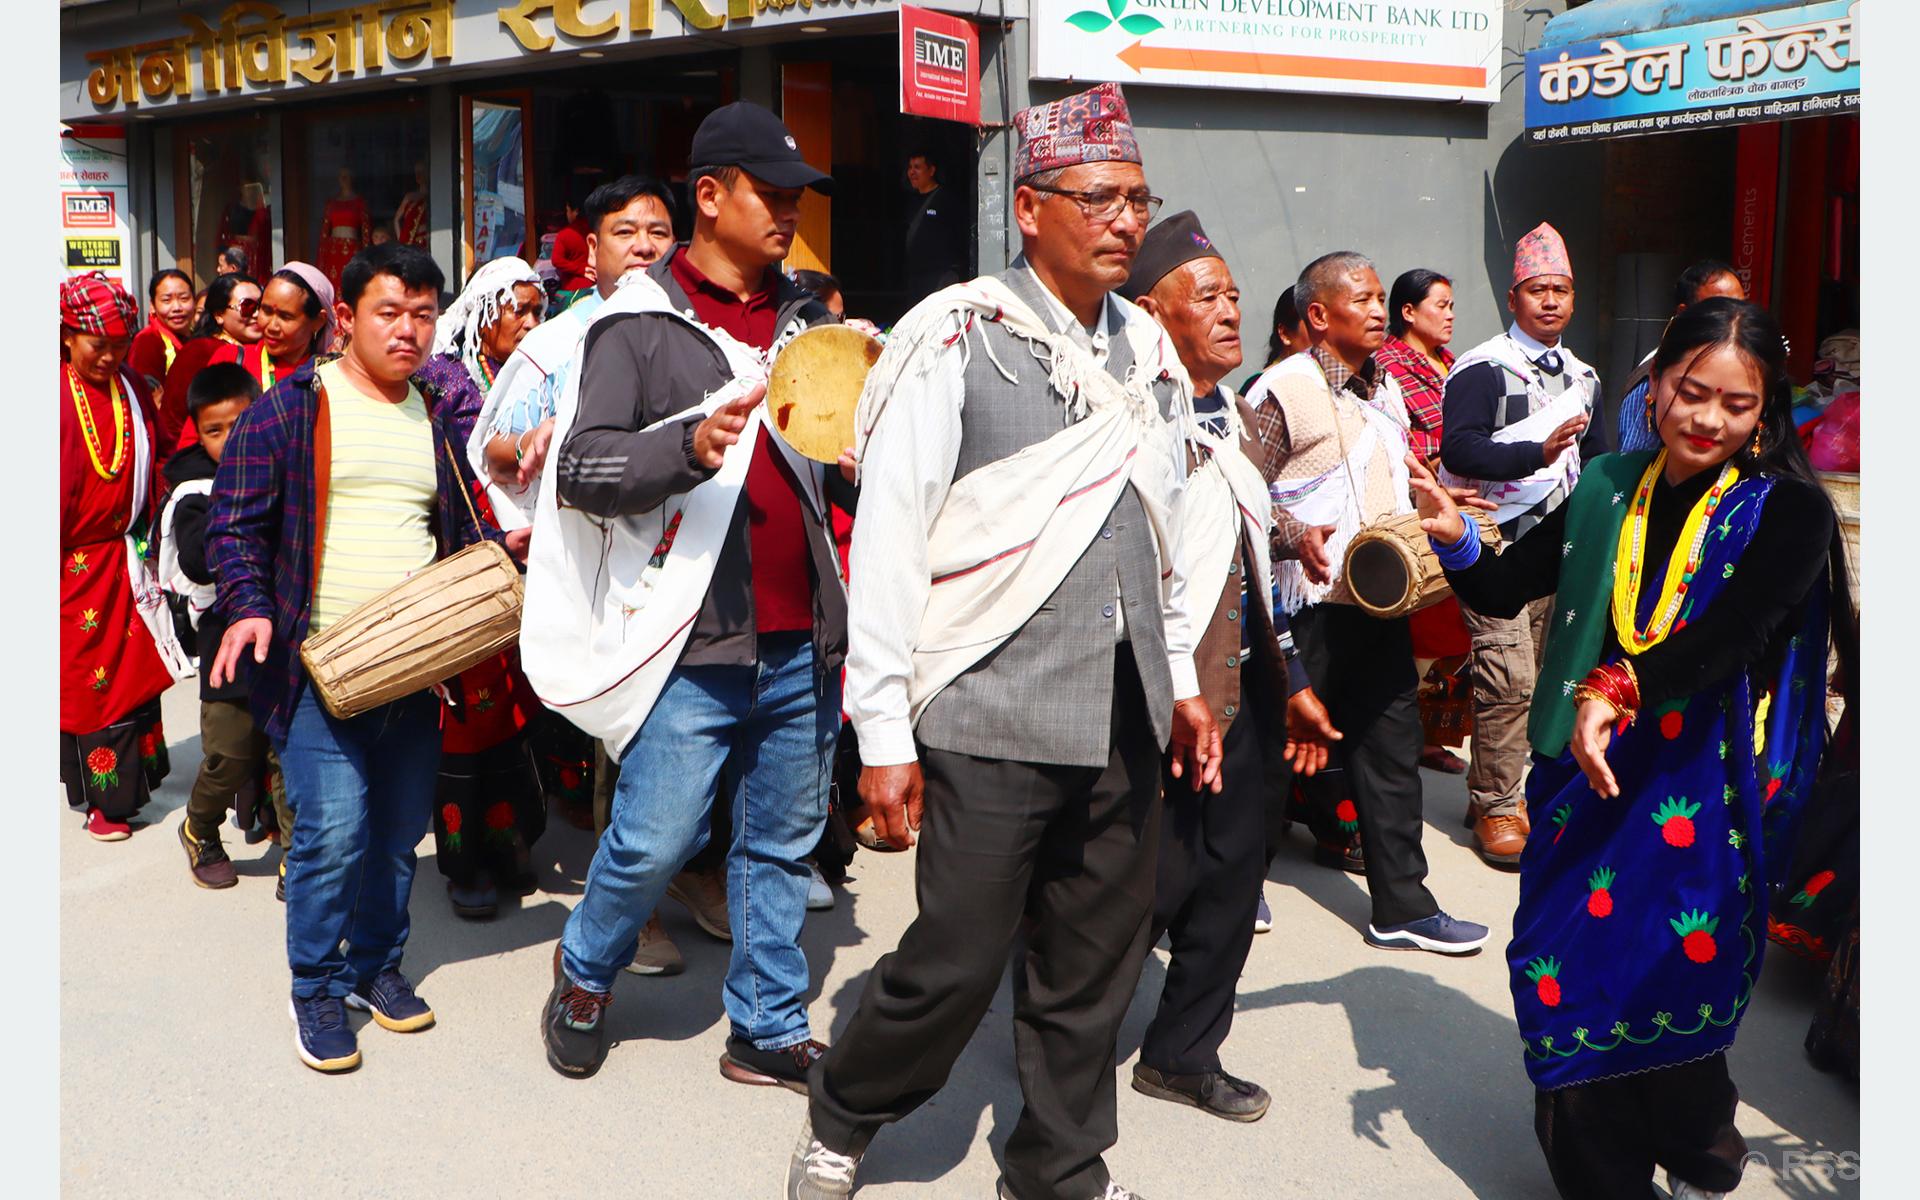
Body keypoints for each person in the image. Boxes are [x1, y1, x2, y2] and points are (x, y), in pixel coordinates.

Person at [790, 82, 1221, 1200]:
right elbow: (893, 537)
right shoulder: (956, 335)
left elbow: (1168, 528)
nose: (1125, 220)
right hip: (988, 701)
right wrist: (882, 732)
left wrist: (1180, 679)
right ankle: (845, 1109)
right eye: (1099, 198)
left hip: (1122, 707)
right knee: (957, 958)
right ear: (1030, 208)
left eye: (1137, 200)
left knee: (1093, 965)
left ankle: (1058, 1166)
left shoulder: (1147, 348)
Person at [1414, 297, 1855, 1200]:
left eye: (1737, 404)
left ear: (1764, 410)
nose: (1708, 419)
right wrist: (1455, 535)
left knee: (1667, 980)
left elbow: (1733, 635)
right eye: (1692, 392)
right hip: (1578, 780)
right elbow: (1503, 587)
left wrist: (1617, 688)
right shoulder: (1607, 485)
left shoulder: (1787, 512)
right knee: (1560, 973)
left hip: (1693, 788)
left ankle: (1700, 1155)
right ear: (1655, 387)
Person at [530, 102, 850, 1090]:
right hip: (687, 638)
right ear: (708, 195)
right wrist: (687, 447)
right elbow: (581, 468)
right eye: (771, 192)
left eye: (797, 196)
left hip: (801, 635)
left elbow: (836, 464)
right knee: (654, 839)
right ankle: (586, 971)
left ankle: (766, 1025)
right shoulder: (636, 324)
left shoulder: (812, 320)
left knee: (780, 846)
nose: (789, 211)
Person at [206, 243, 513, 1074]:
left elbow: (466, 527)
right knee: (333, 831)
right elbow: (232, 525)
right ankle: (315, 985)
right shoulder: (290, 410)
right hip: (315, 667)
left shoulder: (437, 418)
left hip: (412, 668)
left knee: (398, 833)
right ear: (345, 318)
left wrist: (501, 552)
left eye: (423, 315)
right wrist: (252, 607)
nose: (408, 330)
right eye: (389, 312)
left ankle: (375, 966)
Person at [1118, 211, 1341, 1123]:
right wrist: (1176, 685)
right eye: (1206, 295)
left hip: (1241, 684)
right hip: (1160, 689)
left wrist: (1291, 681)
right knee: (1145, 884)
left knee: (1233, 877)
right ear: (1150, 311)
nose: (1229, 310)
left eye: (1234, 295)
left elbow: (1240, 536)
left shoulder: (1238, 416)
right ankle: (1061, 1041)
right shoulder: (1132, 414)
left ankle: (1182, 1054)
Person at [468, 174, 701, 969]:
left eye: (658, 232)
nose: (644, 246)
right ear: (590, 251)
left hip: (695, 559)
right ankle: (635, 912)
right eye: (624, 232)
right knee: (626, 731)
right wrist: (534, 447)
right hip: (602, 566)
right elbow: (491, 448)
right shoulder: (558, 342)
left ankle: (695, 872)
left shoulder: (695, 327)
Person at [1246, 250, 1488, 955]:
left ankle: (1403, 908)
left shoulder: (1383, 390)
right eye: (1363, 299)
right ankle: (1234, 885)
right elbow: (1241, 494)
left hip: (1377, 604)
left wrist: (1433, 496)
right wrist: (1295, 535)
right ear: (1319, 315)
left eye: (1381, 297)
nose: (1379, 310)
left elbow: (1388, 474)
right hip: (1304, 606)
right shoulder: (1282, 388)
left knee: (1392, 750)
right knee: (1275, 751)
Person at [1440, 223, 1605, 868]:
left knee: (1540, 679)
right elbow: (1460, 448)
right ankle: (1497, 806)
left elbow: (1595, 461)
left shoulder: (1585, 377)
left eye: (1561, 290)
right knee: (1506, 678)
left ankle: (1501, 788)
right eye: (1538, 290)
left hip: (1559, 548)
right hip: (1496, 542)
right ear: (1513, 299)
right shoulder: (1483, 368)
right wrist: (1535, 452)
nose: (1551, 301)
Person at [416, 256, 548, 919]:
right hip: (463, 564)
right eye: (517, 309)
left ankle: (508, 840)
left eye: (537, 310)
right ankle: (463, 861)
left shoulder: (533, 377)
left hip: (529, 562)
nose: (529, 321)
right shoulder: (445, 381)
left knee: (516, 709)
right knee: (468, 717)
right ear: (483, 314)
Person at [60, 272, 190, 842]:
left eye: (119, 344)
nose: (110, 357)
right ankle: (102, 801)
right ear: (67, 336)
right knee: (92, 681)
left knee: (135, 672)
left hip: (127, 556)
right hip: (72, 566)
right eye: (98, 345)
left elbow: (157, 455)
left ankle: (137, 782)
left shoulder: (131, 385)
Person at [160, 362, 263, 889]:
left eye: (239, 424)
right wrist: (238, 504)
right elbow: (200, 561)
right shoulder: (195, 491)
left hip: (286, 632)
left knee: (287, 753)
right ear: (197, 434)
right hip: (226, 638)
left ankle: (298, 854)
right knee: (231, 750)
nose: (228, 439)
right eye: (213, 430)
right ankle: (200, 827)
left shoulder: (284, 466)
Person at [1375, 268, 1469, 777]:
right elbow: (1396, 440)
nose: (1450, 315)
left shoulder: (1453, 363)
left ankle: (1435, 737)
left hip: (1462, 506)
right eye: (1441, 305)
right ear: (1408, 312)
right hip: (1419, 510)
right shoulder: (1388, 366)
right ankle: (1407, 736)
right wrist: (1432, 472)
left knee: (1454, 632)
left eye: (1452, 305)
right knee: (1423, 631)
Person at [1617, 260, 1746, 453]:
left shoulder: (1748, 369)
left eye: (1741, 306)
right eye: (1692, 395)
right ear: (1683, 312)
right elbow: (1633, 459)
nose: (1734, 317)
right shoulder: (1652, 379)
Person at [160, 273, 263, 444]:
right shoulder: (200, 351)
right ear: (219, 314)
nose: (257, 314)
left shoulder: (266, 350)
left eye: (263, 306)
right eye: (247, 306)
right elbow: (173, 421)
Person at [902, 148, 967, 303]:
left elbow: (961, 236)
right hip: (916, 279)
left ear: (931, 171)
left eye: (917, 167)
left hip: (941, 279)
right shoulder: (911, 201)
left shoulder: (946, 199)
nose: (912, 172)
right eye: (910, 167)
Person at [129, 268, 195, 393]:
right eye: (166, 300)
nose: (177, 307)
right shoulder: (147, 340)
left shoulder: (198, 337)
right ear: (152, 306)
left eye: (184, 298)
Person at [549, 191, 596, 314]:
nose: (567, 214)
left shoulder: (565, 234)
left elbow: (556, 260)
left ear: (575, 211)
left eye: (567, 210)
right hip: (597, 287)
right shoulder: (598, 230)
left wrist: (581, 270)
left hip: (573, 290)